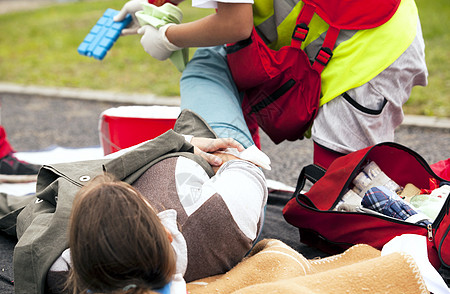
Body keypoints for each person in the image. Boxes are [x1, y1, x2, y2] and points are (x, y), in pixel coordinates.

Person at [114, 0, 428, 168]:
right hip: (353, 32)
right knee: (212, 64)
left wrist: (167, 38)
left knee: (337, 201)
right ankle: (239, 168)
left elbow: (234, 24)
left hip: (375, 50)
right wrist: (155, 4)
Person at [10, 110, 268, 294]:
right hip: (218, 157)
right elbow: (249, 163)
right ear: (166, 234)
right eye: (135, 192)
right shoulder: (222, 216)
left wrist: (179, 142)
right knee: (205, 69)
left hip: (184, 152)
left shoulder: (58, 271)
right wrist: (197, 147)